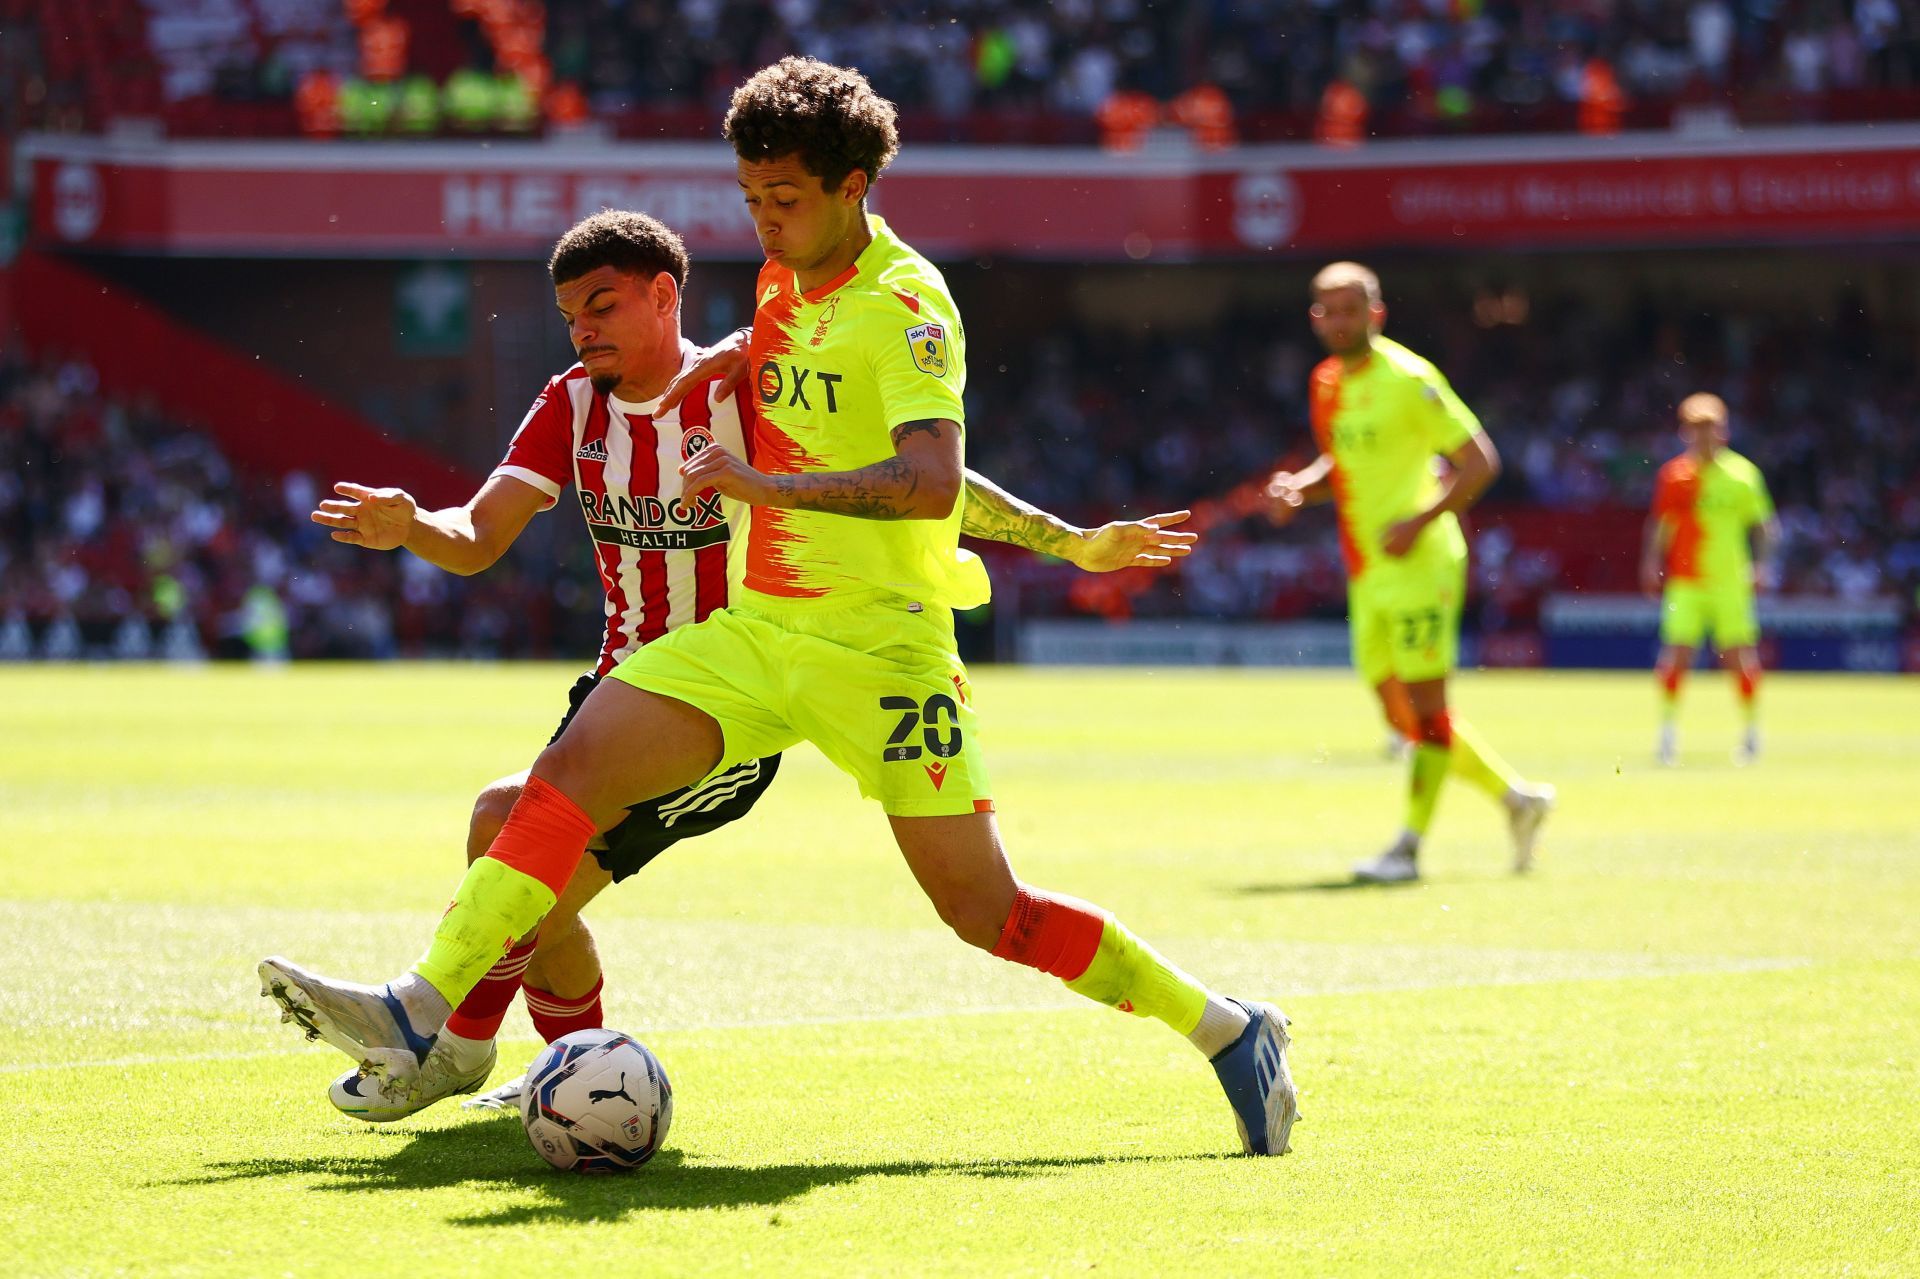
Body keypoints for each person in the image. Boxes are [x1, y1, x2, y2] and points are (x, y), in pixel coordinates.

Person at [265, 61, 1296, 1157]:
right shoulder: (776, 285)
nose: (765, 222)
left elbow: (933, 482)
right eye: (752, 200)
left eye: (786, 201)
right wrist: (1067, 536)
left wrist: (799, 497)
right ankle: (423, 1010)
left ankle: (1231, 1029)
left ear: (854, 187)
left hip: (882, 651)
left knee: (988, 913)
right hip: (757, 634)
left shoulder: (907, 304)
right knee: (559, 775)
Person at [1264, 262, 1554, 885]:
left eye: (1352, 310)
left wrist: (1419, 521)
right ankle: (1517, 800)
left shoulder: (1411, 377)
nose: (1341, 322)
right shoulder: (1326, 383)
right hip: (1368, 569)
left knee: (1426, 713)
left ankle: (1408, 849)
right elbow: (1341, 464)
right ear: (1316, 319)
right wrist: (1299, 487)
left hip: (1420, 562)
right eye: (1329, 312)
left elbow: (1479, 462)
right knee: (1403, 717)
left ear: (1377, 312)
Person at [1639, 393, 1778, 766]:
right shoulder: (1674, 476)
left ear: (1723, 430)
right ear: (1685, 431)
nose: (1703, 435)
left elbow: (1764, 527)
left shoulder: (1743, 475)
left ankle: (1750, 733)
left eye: (1709, 426)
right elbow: (1661, 524)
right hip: (1686, 581)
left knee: (1738, 657)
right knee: (1677, 655)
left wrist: (1762, 565)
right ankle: (1667, 735)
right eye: (1696, 427)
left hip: (1730, 581)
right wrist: (1651, 562)